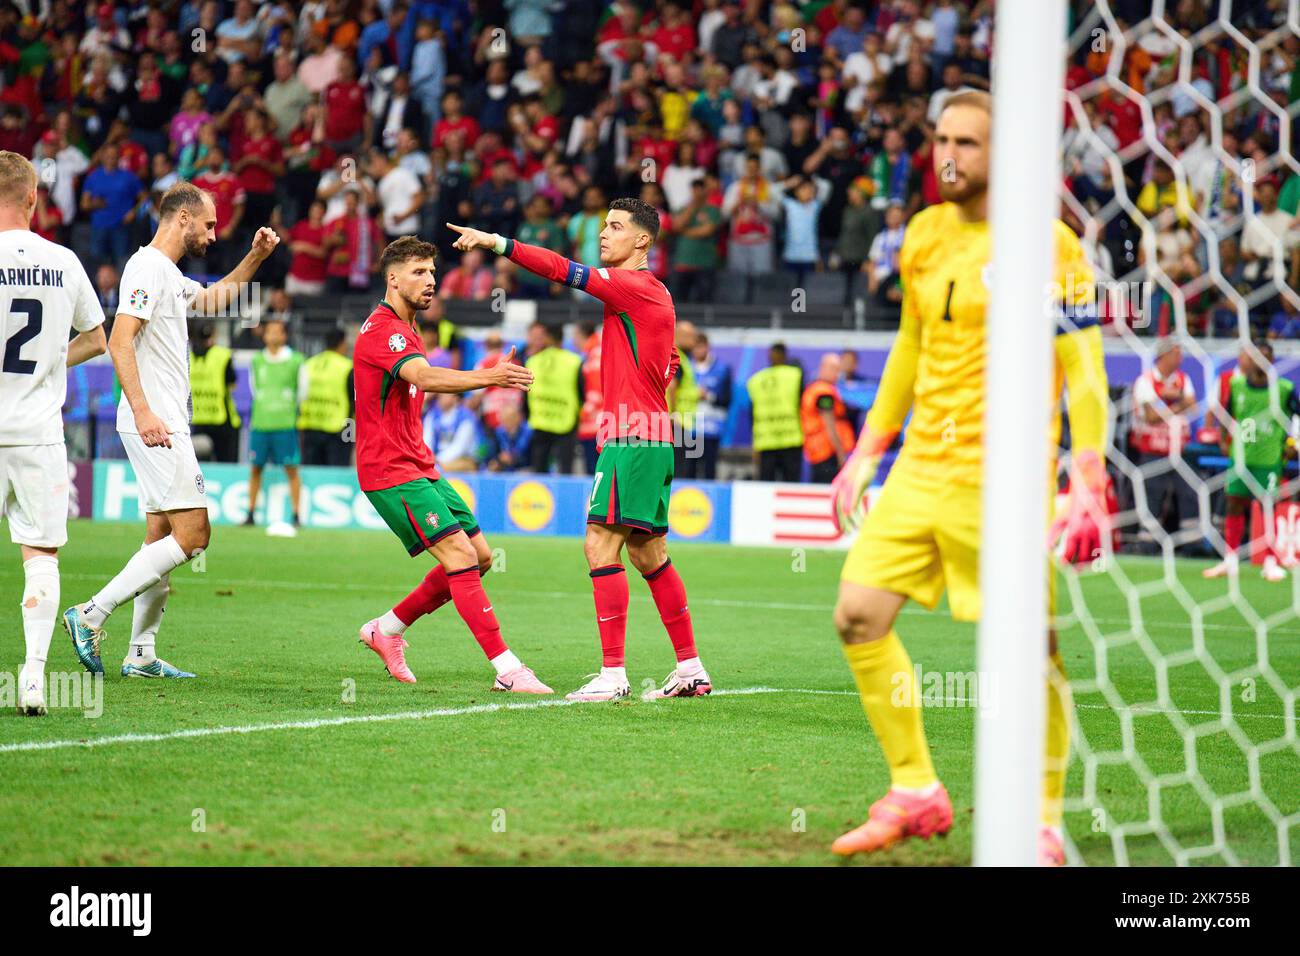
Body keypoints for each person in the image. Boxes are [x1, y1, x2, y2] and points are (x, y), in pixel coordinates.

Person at [827, 91, 1109, 865]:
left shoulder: (1049, 246)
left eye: (968, 143)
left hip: (1004, 479)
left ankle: (1043, 823)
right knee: (857, 615)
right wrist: (865, 451)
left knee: (1030, 649)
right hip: (921, 467)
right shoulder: (920, 233)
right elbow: (910, 352)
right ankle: (916, 789)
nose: (948, 155)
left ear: (1004, 155)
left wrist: (1087, 472)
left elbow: (1082, 367)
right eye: (940, 139)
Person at [449, 196, 715, 702]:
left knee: (599, 544)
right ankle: (690, 669)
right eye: (603, 226)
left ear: (642, 240)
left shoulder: (632, 286)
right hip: (650, 436)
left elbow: (561, 269)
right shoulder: (654, 295)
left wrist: (497, 242)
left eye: (615, 227)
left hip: (631, 439)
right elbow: (673, 359)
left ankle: (613, 676)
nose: (603, 234)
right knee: (649, 553)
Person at [64, 183, 281, 679]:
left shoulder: (168, 273)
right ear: (182, 218)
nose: (212, 231)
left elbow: (213, 300)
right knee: (195, 534)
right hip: (154, 421)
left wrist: (255, 257)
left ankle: (140, 653)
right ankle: (91, 613)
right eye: (208, 223)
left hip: (159, 420)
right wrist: (142, 412)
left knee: (160, 534)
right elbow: (119, 340)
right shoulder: (145, 268)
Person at [351, 235, 550, 693]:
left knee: (479, 558)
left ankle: (388, 628)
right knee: (460, 555)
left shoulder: (409, 328)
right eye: (418, 272)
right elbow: (424, 376)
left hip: (420, 465)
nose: (430, 281)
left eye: (433, 272)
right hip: (390, 470)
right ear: (392, 278)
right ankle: (508, 668)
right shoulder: (385, 331)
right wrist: (492, 377)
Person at [0, 151, 106, 714]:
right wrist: (49, 364)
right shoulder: (62, 261)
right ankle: (34, 678)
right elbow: (97, 335)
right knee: (40, 554)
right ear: (33, 198)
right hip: (38, 434)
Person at [1203, 340, 1299, 582]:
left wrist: (1293, 443)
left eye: (1267, 356)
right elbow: (1227, 414)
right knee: (1233, 504)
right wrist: (1225, 440)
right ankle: (1230, 560)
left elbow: (1296, 416)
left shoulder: (1284, 389)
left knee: (1268, 508)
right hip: (1241, 458)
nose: (1262, 361)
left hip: (1268, 459)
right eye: (1258, 356)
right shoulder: (1236, 386)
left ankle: (1269, 562)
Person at [1130, 338, 1199, 535]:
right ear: (1164, 355)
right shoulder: (1145, 381)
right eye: (1176, 353)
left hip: (1179, 449)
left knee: (1189, 493)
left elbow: (1193, 405)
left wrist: (1167, 404)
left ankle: (1190, 541)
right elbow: (1151, 417)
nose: (1181, 358)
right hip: (1152, 449)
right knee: (1152, 494)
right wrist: (1178, 402)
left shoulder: (1184, 379)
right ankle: (1147, 541)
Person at [244, 319, 305, 527]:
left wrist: (288, 408)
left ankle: (296, 515)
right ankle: (250, 513)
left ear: (284, 335)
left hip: (285, 424)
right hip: (260, 423)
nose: (272, 335)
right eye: (269, 331)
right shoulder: (257, 360)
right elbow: (254, 390)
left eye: (277, 332)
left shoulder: (296, 360)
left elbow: (302, 392)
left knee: (291, 468)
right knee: (255, 468)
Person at [523, 322, 582, 473]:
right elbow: (582, 391)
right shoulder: (574, 361)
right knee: (565, 470)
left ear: (547, 338)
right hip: (566, 421)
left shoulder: (532, 361)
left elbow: (524, 391)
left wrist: (528, 414)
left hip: (540, 419)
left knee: (539, 471)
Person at [747, 343, 804, 481]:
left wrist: (754, 443)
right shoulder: (795, 375)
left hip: (766, 440)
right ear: (785, 356)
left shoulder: (756, 379)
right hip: (790, 437)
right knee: (791, 485)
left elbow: (752, 414)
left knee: (766, 486)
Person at [298, 327, 354, 468]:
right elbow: (355, 402)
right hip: (339, 430)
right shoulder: (347, 366)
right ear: (341, 344)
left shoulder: (308, 364)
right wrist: (352, 434)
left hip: (310, 426)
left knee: (312, 474)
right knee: (337, 476)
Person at [188, 322, 241, 463]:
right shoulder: (223, 355)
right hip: (223, 420)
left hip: (197, 419)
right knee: (226, 466)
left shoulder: (185, 356)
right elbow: (232, 383)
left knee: (198, 468)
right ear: (214, 334)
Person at [802, 353, 857, 483]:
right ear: (823, 367)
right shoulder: (824, 393)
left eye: (839, 370)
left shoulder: (814, 388)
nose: (838, 374)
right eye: (834, 369)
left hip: (819, 450)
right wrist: (840, 455)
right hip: (827, 452)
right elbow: (830, 426)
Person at [687, 332, 731, 480]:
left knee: (709, 470)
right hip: (690, 428)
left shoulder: (722, 369)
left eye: (700, 347)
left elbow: (726, 399)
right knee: (689, 470)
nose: (697, 352)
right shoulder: (687, 368)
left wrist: (708, 396)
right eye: (695, 348)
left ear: (707, 347)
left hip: (712, 429)